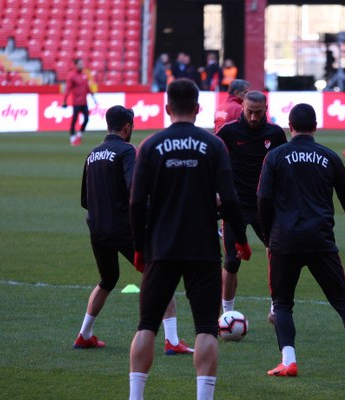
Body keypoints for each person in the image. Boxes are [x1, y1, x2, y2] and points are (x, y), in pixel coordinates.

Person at [128, 79, 251, 400]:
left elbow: (136, 203)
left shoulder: (150, 146)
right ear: (198, 108)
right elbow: (230, 198)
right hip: (203, 249)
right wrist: (240, 239)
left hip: (161, 247)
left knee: (146, 326)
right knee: (206, 329)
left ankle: (136, 396)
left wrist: (139, 248)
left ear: (167, 108)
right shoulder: (214, 145)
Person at [257, 103, 345, 378]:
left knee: (282, 303)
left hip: (285, 241)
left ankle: (288, 361)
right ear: (315, 127)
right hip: (320, 240)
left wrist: (268, 238)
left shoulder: (275, 156)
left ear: (289, 127)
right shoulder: (329, 157)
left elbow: (263, 199)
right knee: (342, 300)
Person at [74, 105, 193, 356]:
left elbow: (85, 199)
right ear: (127, 127)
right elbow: (134, 189)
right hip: (124, 228)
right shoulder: (128, 151)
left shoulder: (92, 154)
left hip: (97, 229)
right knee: (161, 275)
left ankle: (84, 334)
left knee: (107, 280)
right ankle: (172, 340)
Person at [215, 90, 287, 315]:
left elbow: (283, 169)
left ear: (266, 110)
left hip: (265, 206)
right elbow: (210, 157)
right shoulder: (228, 131)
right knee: (231, 261)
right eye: (249, 112)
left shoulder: (275, 134)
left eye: (258, 112)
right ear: (242, 108)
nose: (253, 117)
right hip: (234, 206)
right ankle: (227, 314)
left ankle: (276, 306)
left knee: (276, 253)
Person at [63, 58, 96, 147]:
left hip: (84, 102)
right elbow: (68, 89)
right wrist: (64, 100)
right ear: (75, 65)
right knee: (74, 119)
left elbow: (87, 87)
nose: (82, 65)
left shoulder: (84, 75)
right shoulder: (71, 76)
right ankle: (72, 136)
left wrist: (93, 97)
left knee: (86, 119)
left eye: (82, 64)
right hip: (76, 102)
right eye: (80, 64)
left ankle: (79, 134)